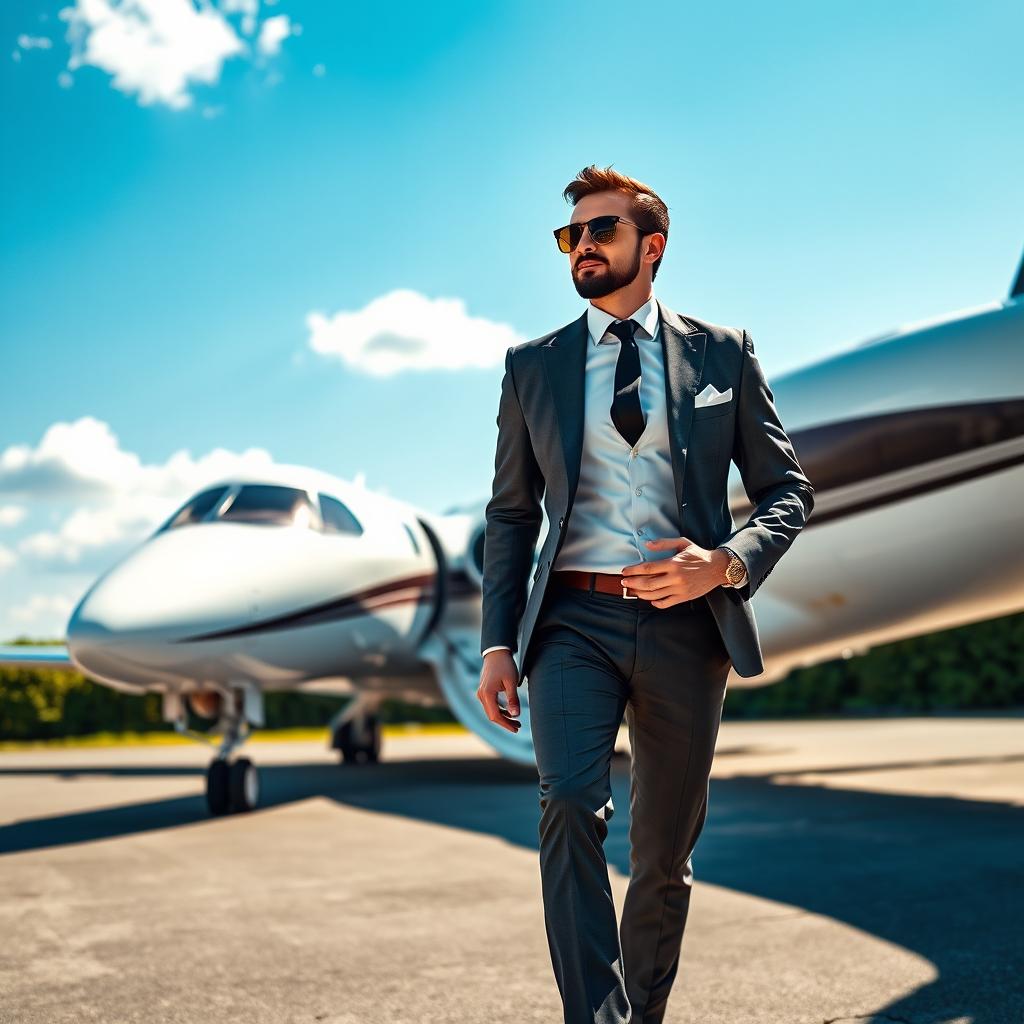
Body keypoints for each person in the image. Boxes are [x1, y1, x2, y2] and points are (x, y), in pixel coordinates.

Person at [476, 164, 814, 1024]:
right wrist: (496, 644)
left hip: (686, 624)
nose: (582, 246)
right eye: (570, 236)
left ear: (650, 246)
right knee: (567, 809)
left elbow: (787, 491)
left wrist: (726, 562)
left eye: (600, 231)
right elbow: (511, 515)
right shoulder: (531, 367)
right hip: (571, 623)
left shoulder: (722, 352)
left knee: (664, 853)